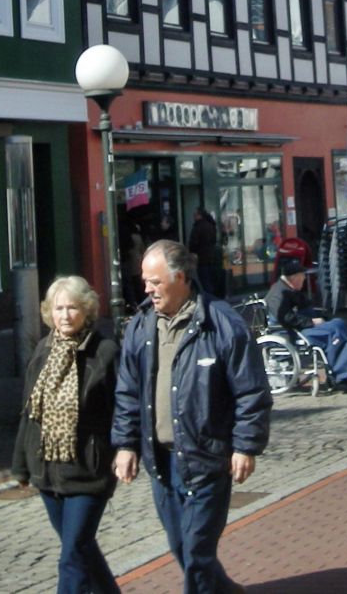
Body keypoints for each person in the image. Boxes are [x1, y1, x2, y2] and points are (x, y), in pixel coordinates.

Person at [112, 240, 271, 593]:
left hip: (208, 457)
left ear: (180, 277)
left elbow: (251, 391)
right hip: (162, 462)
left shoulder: (222, 324)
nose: (147, 289)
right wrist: (125, 444)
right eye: (145, 281)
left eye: (154, 281)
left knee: (197, 551)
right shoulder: (141, 327)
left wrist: (245, 447)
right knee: (181, 546)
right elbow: (127, 391)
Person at [12, 276, 121, 594]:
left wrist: (127, 451)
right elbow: (29, 413)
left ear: (86, 310)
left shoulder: (106, 352)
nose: (64, 315)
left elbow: (125, 410)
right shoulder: (43, 352)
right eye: (58, 308)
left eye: (72, 307)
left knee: (71, 555)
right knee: (82, 550)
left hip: (88, 471)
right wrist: (21, 466)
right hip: (47, 472)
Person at [266, 258, 347, 390]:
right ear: (295, 278)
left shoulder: (289, 289)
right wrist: (312, 322)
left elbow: (305, 307)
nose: (304, 279)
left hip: (300, 328)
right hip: (293, 332)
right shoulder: (278, 294)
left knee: (340, 324)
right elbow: (286, 318)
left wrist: (322, 318)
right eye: (303, 276)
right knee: (335, 332)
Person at [188, 207, 226, 298]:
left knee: (205, 281)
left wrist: (191, 250)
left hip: (203, 258)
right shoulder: (211, 225)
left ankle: (210, 299)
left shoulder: (198, 226)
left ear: (199, 215)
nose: (193, 217)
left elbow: (193, 243)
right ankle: (215, 297)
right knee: (212, 280)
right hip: (213, 257)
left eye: (195, 215)